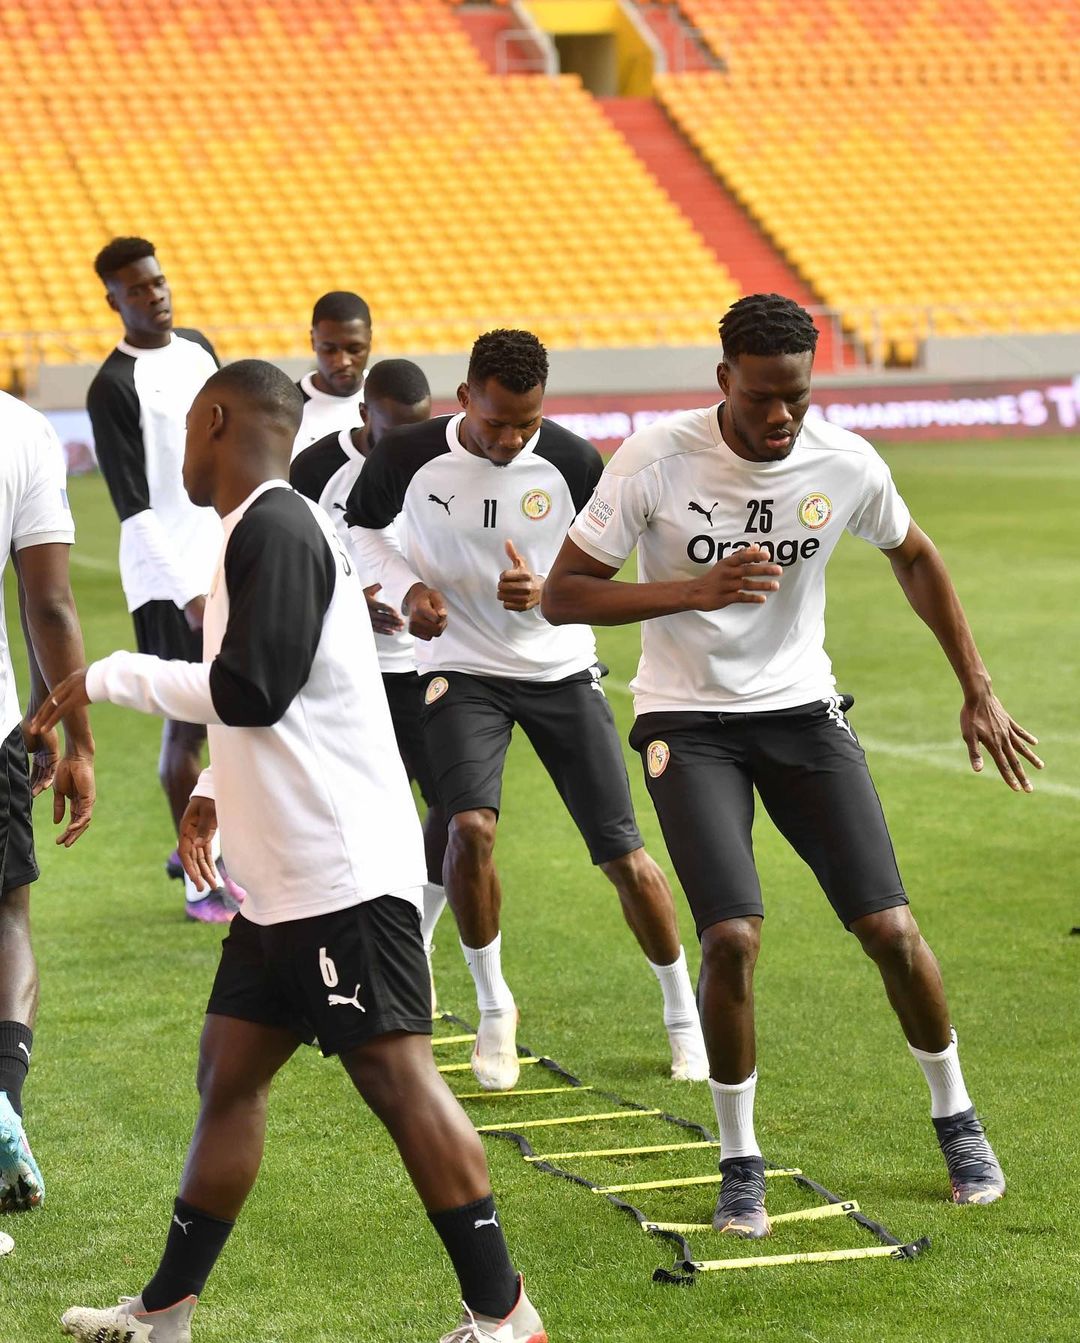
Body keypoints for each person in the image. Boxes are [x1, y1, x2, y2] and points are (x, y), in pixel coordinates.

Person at [41, 360, 545, 1343]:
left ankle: (505, 1317)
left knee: (398, 1080)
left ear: (217, 419)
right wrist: (212, 790)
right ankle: (165, 1313)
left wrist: (109, 673)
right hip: (281, 887)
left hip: (340, 877)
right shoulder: (266, 528)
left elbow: (254, 689)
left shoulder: (273, 523)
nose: (180, 453)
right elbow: (301, 685)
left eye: (187, 429)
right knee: (228, 1073)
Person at [541, 292, 1040, 1236]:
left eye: (797, 399)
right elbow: (564, 595)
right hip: (686, 723)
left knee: (892, 928)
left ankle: (958, 1119)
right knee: (732, 938)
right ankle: (740, 1162)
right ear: (724, 378)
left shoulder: (844, 461)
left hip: (804, 715)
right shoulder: (655, 458)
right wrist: (695, 589)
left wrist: (976, 685)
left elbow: (916, 555)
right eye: (764, 397)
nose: (781, 418)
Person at [345, 329, 708, 1092]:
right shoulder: (406, 457)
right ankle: (494, 1008)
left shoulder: (574, 461)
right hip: (460, 669)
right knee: (468, 825)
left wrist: (547, 586)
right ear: (465, 396)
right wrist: (409, 590)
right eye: (497, 421)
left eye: (528, 422)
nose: (512, 438)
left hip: (561, 668)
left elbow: (608, 563)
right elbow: (365, 533)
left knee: (623, 855)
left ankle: (683, 1015)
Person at [87, 236, 236, 922]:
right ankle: (200, 881)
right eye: (138, 290)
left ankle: (201, 843)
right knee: (187, 727)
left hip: (224, 560)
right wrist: (188, 595)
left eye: (159, 281)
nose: (156, 295)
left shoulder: (200, 347)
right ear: (114, 300)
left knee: (233, 716)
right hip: (165, 582)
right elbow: (133, 509)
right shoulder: (113, 386)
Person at [290, 358, 449, 998]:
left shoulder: (445, 460)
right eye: (393, 436)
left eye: (419, 433)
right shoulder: (314, 469)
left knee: (451, 804)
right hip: (352, 671)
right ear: (363, 416)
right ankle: (350, 944)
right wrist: (350, 605)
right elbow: (295, 560)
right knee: (359, 813)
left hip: (435, 665)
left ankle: (419, 938)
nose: (407, 451)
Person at [0, 392, 95, 1219]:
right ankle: (3, 1103)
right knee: (7, 919)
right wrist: (65, 733)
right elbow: (50, 604)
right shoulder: (22, 430)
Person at [291, 291, 373, 459]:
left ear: (369, 339)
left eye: (354, 349)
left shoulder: (390, 399)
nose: (343, 361)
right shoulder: (286, 410)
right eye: (329, 350)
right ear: (313, 341)